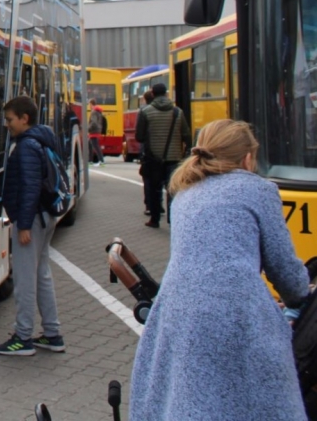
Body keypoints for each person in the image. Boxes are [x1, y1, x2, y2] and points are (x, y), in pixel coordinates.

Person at [129, 119, 310, 420]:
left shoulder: (184, 194)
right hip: (236, 313)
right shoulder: (258, 190)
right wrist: (298, 297)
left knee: (197, 399)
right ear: (248, 158)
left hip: (177, 312)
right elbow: (288, 277)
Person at [0, 95, 64, 356]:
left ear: (24, 119)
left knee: (24, 278)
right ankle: (52, 334)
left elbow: (30, 188)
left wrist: (22, 225)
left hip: (31, 219)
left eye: (10, 119)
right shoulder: (42, 139)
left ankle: (23, 338)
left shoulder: (25, 147)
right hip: (45, 216)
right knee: (42, 274)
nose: (7, 124)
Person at [136, 82, 190, 228]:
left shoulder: (146, 112)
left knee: (154, 189)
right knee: (173, 189)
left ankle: (154, 219)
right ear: (166, 94)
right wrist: (185, 153)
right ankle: (174, 219)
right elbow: (186, 134)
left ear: (152, 94)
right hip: (174, 157)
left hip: (153, 158)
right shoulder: (178, 112)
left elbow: (139, 136)